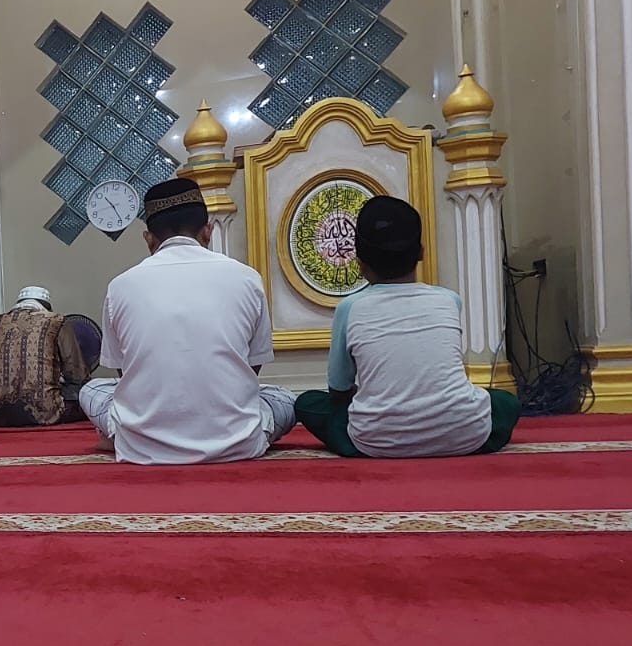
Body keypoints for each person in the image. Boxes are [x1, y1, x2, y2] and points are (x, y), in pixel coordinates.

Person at [78, 178, 296, 463]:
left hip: (141, 445)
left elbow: (124, 373)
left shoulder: (120, 286)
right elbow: (251, 368)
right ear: (207, 231)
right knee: (284, 398)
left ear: (148, 239)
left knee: (92, 390)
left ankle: (119, 435)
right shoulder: (247, 278)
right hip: (237, 442)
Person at [295, 196, 521, 457]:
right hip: (464, 436)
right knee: (505, 402)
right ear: (421, 252)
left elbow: (338, 390)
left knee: (308, 403)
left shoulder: (350, 307)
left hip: (374, 441)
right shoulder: (449, 300)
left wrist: (371, 399)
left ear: (359, 262)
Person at [0, 285, 95, 426]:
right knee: (92, 398)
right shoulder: (56, 321)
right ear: (47, 307)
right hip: (44, 413)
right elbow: (78, 375)